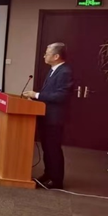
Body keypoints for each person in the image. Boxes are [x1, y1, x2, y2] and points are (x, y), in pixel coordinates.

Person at [23, 42, 74, 189]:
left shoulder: (65, 72)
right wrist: (34, 99)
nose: (44, 56)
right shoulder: (53, 70)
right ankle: (48, 174)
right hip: (46, 116)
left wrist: (37, 95)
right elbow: (49, 94)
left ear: (56, 56)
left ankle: (56, 180)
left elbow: (61, 96)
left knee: (53, 149)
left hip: (55, 118)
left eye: (47, 53)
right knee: (47, 148)